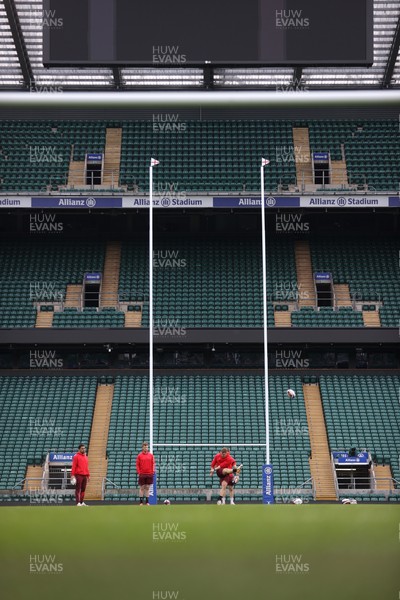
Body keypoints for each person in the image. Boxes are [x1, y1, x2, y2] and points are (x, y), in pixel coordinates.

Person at [136, 441, 155, 506]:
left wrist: (153, 471)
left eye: (147, 447)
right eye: (145, 447)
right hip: (142, 474)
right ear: (142, 448)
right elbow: (137, 465)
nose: (146, 448)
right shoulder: (139, 456)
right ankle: (141, 502)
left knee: (147, 488)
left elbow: (153, 464)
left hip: (149, 474)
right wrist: (139, 472)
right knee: (142, 488)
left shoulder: (151, 455)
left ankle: (147, 502)